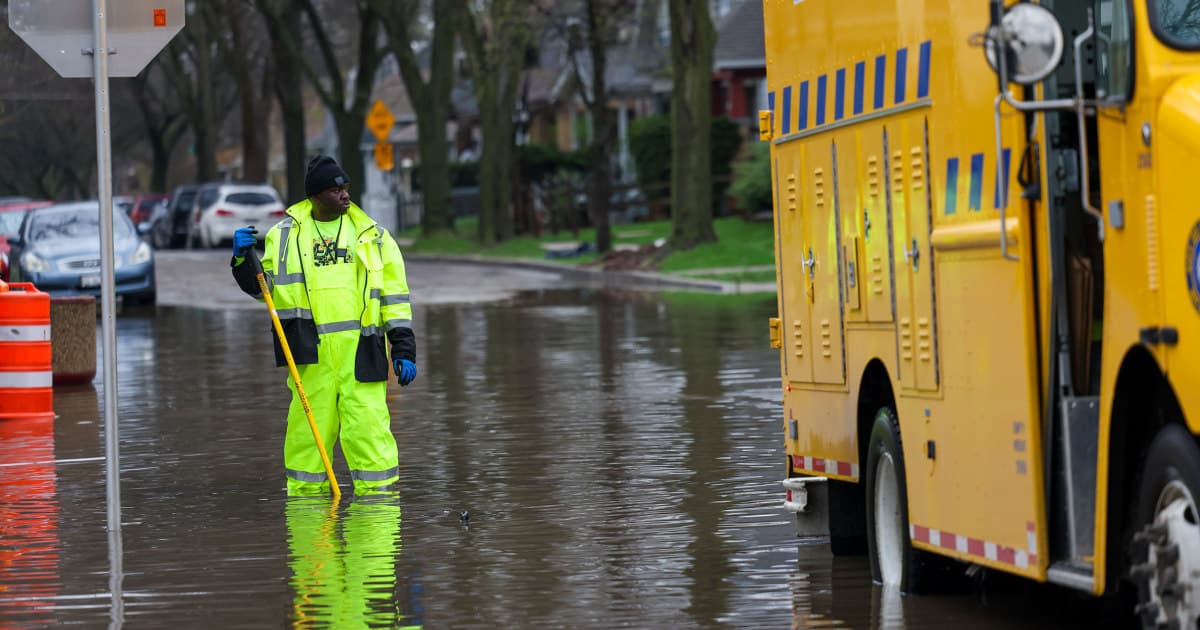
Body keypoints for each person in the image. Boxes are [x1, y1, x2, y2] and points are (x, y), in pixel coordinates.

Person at [230, 154, 416, 495]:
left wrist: (403, 348)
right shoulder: (284, 236)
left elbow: (395, 297)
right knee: (307, 441)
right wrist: (242, 260)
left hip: (361, 354)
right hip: (310, 356)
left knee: (370, 433)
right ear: (315, 196)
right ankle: (307, 516)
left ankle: (379, 512)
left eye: (346, 188)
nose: (345, 195)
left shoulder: (373, 236)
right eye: (335, 190)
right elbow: (264, 290)